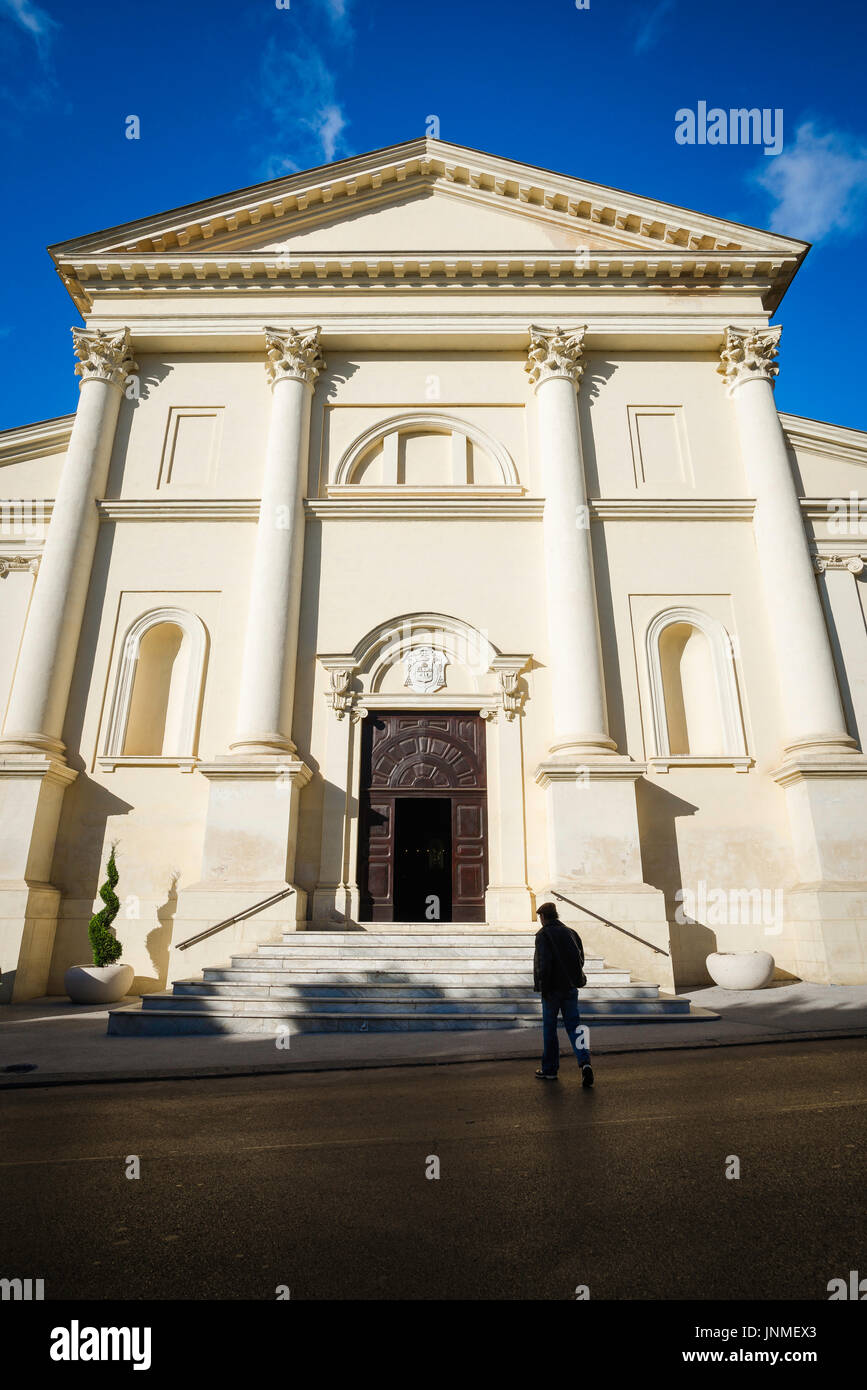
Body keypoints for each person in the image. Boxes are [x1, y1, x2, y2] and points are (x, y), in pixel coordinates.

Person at [533, 902, 594, 1086]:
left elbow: (543, 963)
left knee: (550, 1030)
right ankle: (585, 1063)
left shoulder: (543, 935)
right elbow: (580, 958)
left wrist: (543, 986)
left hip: (552, 989)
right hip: (569, 988)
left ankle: (550, 1069)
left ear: (543, 917)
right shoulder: (571, 932)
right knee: (575, 1027)